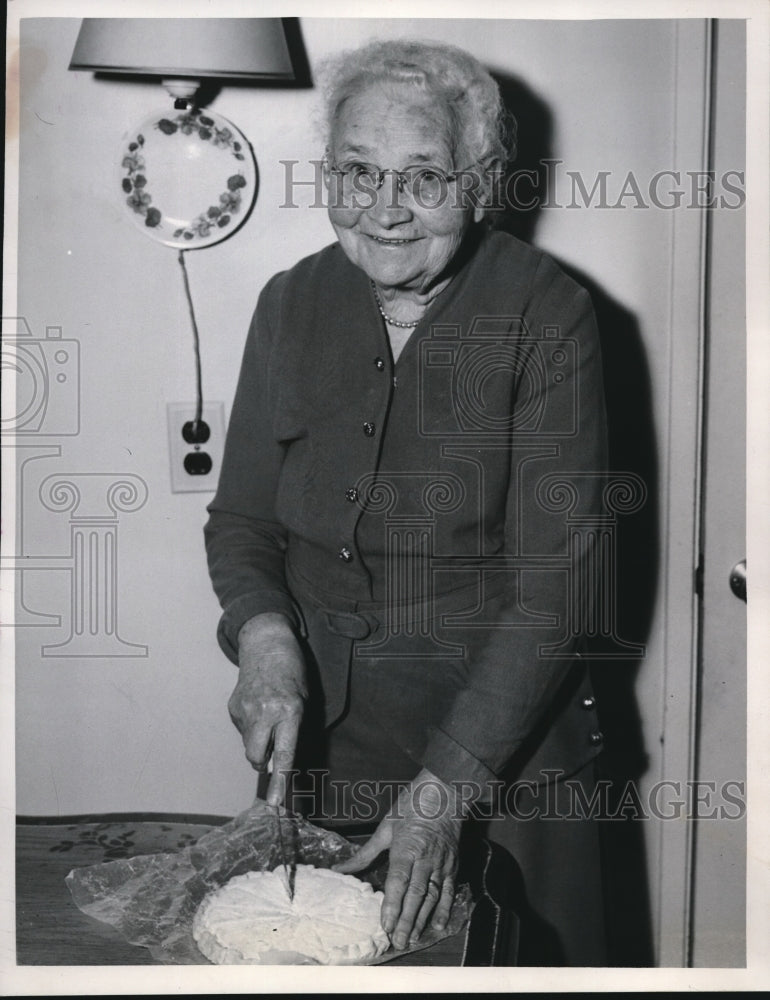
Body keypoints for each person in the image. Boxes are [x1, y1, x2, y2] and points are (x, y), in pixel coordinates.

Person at [204, 38, 608, 966]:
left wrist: (444, 788)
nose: (386, 210)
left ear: (477, 183)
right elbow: (245, 520)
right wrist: (264, 638)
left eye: (423, 176)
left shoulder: (550, 318)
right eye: (359, 172)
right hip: (335, 757)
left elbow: (557, 592)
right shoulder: (288, 303)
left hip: (510, 766)